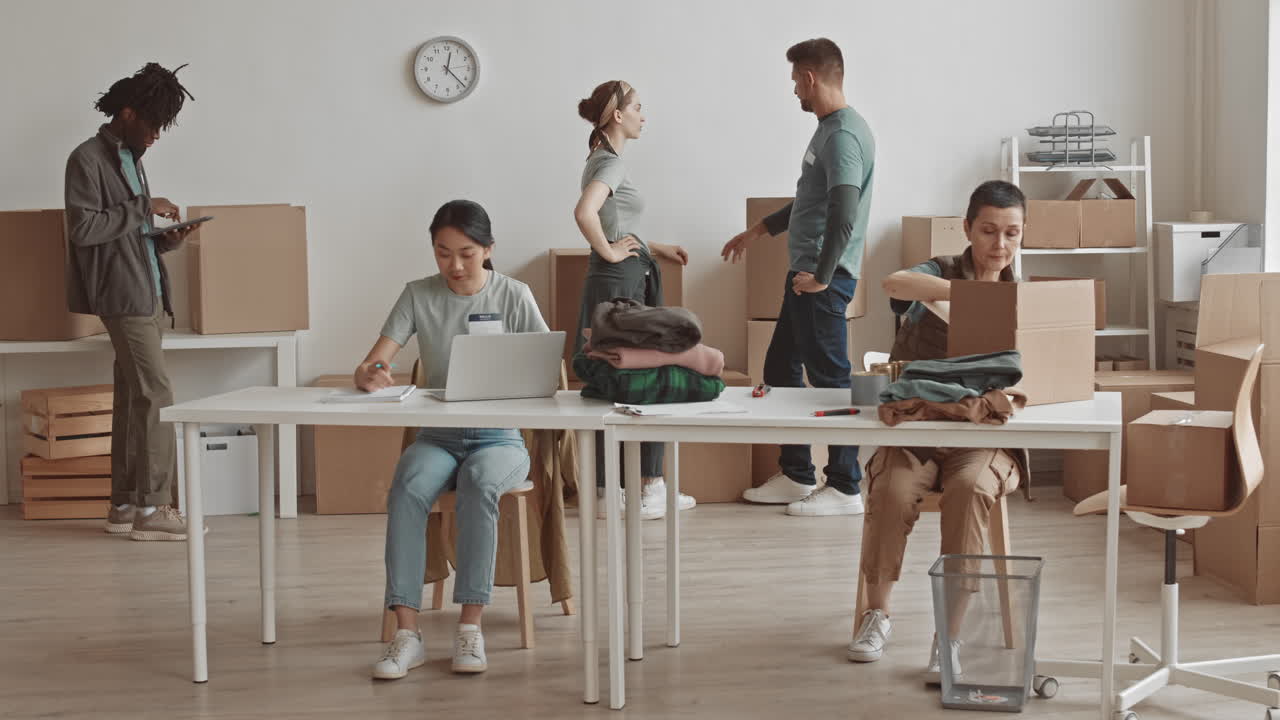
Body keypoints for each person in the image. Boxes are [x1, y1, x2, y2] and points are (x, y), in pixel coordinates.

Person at [848, 180, 1029, 684]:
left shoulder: (1027, 294)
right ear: (968, 228)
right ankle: (877, 615)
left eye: (1012, 233)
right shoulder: (938, 271)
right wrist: (967, 297)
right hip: (918, 428)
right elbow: (895, 284)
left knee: (970, 490)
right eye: (988, 230)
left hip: (983, 436)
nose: (999, 244)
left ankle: (949, 634)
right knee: (891, 490)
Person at [358, 200, 547, 678]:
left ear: (488, 249)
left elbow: (547, 366)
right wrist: (371, 371)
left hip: (499, 439)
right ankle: (407, 635)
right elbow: (376, 359)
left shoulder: (515, 295)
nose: (455, 265)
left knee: (480, 484)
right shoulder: (418, 294)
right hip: (438, 436)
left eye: (466, 253)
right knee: (407, 488)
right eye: (443, 253)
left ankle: (470, 627)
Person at [721, 38, 875, 517]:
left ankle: (845, 486)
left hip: (821, 280)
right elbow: (813, 200)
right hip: (805, 276)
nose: (794, 91)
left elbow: (844, 212)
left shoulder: (844, 136)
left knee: (832, 381)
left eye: (795, 82)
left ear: (810, 77)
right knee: (780, 371)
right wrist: (760, 229)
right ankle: (796, 474)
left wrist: (824, 277)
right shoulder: (828, 130)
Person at [64, 63, 199, 541]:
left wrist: (164, 240)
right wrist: (144, 206)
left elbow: (126, 234)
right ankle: (154, 508)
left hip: (147, 291)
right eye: (153, 124)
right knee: (157, 395)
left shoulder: (131, 157)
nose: (157, 135)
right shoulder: (86, 159)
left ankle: (124, 505)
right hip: (123, 296)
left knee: (131, 397)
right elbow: (84, 230)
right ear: (126, 114)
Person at [573, 79, 694, 520]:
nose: (644, 115)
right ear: (618, 115)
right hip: (619, 280)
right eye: (638, 107)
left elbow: (612, 222)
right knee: (648, 374)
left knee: (612, 376)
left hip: (617, 278)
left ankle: (609, 492)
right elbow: (585, 213)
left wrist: (652, 247)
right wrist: (610, 251)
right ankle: (649, 488)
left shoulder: (600, 158)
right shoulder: (611, 163)